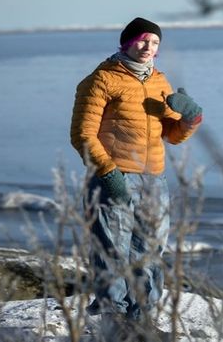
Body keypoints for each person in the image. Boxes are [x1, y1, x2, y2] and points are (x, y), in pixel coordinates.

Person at [70, 17, 202, 337]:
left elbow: (171, 134)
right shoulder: (101, 79)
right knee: (112, 253)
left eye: (155, 43)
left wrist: (191, 118)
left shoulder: (159, 81)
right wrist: (108, 173)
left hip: (154, 181)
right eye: (143, 40)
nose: (148, 48)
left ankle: (141, 323)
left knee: (150, 252)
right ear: (126, 42)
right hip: (113, 177)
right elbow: (82, 135)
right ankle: (114, 328)